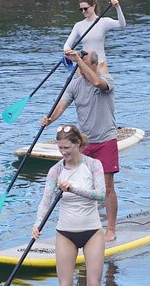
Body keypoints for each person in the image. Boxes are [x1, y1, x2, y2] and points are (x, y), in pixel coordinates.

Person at [32, 124, 107, 286]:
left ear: (77, 144)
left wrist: (73, 189)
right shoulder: (55, 171)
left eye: (67, 147)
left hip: (92, 231)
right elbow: (46, 201)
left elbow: (101, 195)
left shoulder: (93, 165)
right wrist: (37, 224)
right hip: (65, 233)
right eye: (60, 148)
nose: (63, 152)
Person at [40, 49, 119, 242]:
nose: (79, 70)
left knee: (107, 187)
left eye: (83, 65)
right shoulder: (75, 85)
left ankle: (110, 229)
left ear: (94, 64)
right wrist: (50, 119)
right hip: (85, 143)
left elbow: (97, 82)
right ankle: (86, 225)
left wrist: (79, 61)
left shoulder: (106, 79)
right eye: (78, 66)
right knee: (83, 185)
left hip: (106, 140)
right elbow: (62, 105)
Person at [64, 0, 126, 73]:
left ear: (93, 6)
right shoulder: (78, 26)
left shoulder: (103, 22)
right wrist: (70, 52)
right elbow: (67, 45)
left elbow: (122, 25)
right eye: (81, 9)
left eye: (85, 8)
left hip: (100, 64)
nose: (83, 11)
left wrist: (117, 7)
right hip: (84, 66)